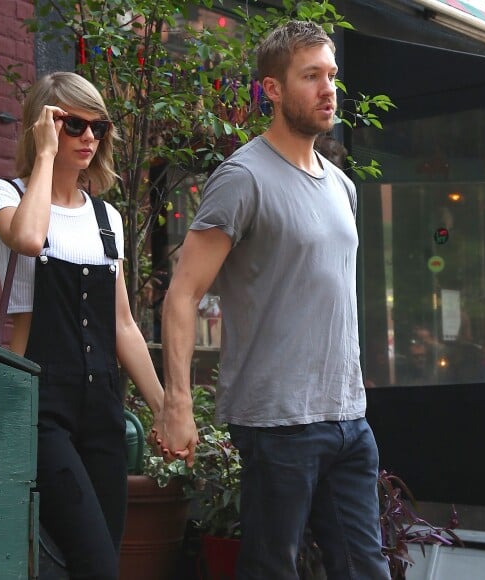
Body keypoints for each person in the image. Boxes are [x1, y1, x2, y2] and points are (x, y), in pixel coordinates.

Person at [157, 20, 390, 580]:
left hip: (347, 416)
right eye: (311, 76)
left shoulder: (341, 185)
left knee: (366, 568)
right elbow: (183, 294)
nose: (327, 89)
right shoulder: (243, 177)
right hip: (276, 420)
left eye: (331, 75)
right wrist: (178, 405)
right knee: (271, 569)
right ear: (274, 90)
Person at [0, 72, 165, 580]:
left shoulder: (107, 219)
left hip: (102, 407)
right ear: (43, 125)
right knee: (94, 563)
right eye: (73, 124)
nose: (89, 137)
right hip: (41, 406)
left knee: (101, 558)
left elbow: (123, 324)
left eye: (98, 126)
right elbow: (29, 239)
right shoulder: (3, 194)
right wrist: (42, 157)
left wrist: (165, 408)